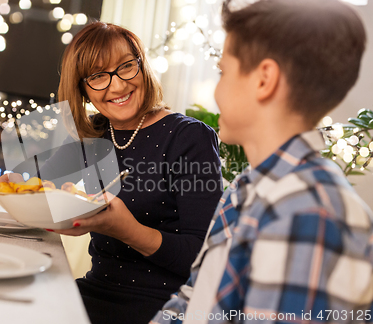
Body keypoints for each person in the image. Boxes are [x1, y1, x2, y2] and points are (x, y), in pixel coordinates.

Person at [151, 0, 373, 323]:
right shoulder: (246, 186)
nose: (216, 91)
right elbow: (194, 299)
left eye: (223, 72)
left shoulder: (307, 214)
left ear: (264, 79)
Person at [0, 22, 223, 324]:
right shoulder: (94, 135)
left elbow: (208, 260)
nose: (117, 86)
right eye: (98, 76)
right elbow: (40, 190)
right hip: (95, 291)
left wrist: (126, 229)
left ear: (142, 67)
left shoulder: (189, 137)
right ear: (83, 89)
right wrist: (15, 190)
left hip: (166, 306)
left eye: (126, 67)